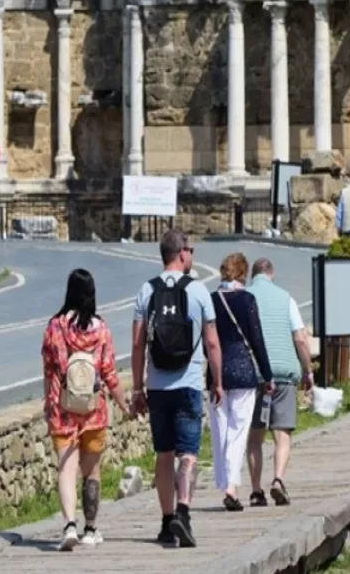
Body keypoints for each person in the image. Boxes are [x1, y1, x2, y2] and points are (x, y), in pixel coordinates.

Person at [131, 229, 223, 549]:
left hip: (157, 386)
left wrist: (137, 388)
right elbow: (212, 341)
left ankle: (165, 521)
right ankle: (183, 511)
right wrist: (218, 381)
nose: (193, 256)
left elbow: (138, 344)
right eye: (192, 250)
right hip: (188, 383)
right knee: (188, 453)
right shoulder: (198, 291)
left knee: (163, 453)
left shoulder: (146, 290)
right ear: (181, 253)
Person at [41, 269, 131, 551]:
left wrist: (48, 403)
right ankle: (90, 529)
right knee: (91, 472)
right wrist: (124, 403)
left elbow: (48, 370)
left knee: (66, 469)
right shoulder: (101, 329)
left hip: (63, 407)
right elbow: (109, 373)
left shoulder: (55, 327)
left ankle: (69, 525)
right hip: (94, 410)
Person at [246, 258, 315, 508]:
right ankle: (277, 479)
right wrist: (308, 370)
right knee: (282, 434)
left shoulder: (245, 297)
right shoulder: (286, 298)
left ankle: (255, 491)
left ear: (252, 276)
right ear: (271, 275)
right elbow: (299, 337)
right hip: (284, 374)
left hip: (254, 375)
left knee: (254, 437)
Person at [208, 253, 273, 512]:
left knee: (220, 432)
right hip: (244, 372)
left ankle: (226, 482)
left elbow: (207, 341)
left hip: (217, 373)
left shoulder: (212, 300)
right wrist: (267, 375)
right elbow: (256, 340)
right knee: (238, 432)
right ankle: (231, 486)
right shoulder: (247, 300)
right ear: (243, 274)